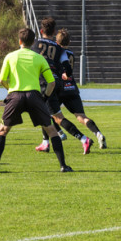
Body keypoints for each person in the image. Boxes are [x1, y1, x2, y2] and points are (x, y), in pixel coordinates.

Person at [0, 28, 71, 173]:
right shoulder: (39, 58)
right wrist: (45, 98)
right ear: (33, 42)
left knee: (2, 130)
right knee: (51, 130)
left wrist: (10, 90)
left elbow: (1, 79)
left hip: (15, 96)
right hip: (34, 96)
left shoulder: (10, 56)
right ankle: (63, 166)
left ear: (19, 41)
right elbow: (52, 83)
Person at [33, 17, 91, 154]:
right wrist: (63, 74)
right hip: (57, 83)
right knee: (44, 112)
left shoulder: (35, 44)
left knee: (57, 117)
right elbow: (68, 69)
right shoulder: (59, 48)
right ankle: (45, 142)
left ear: (41, 31)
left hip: (43, 82)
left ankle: (83, 139)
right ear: (54, 32)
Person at [55, 28, 106, 149]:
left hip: (59, 88)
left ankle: (58, 135)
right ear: (69, 42)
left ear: (56, 42)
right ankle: (98, 134)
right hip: (71, 87)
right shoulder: (71, 54)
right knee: (81, 117)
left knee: (51, 114)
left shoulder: (56, 53)